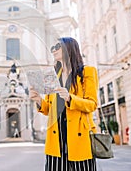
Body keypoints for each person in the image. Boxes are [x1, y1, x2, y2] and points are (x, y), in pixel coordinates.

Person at [29, 37, 98, 171]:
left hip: (79, 138)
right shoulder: (52, 76)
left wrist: (70, 98)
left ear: (69, 48)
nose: (53, 50)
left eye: (57, 46)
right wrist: (38, 99)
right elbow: (49, 110)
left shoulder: (87, 72)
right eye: (52, 48)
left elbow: (92, 104)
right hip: (56, 140)